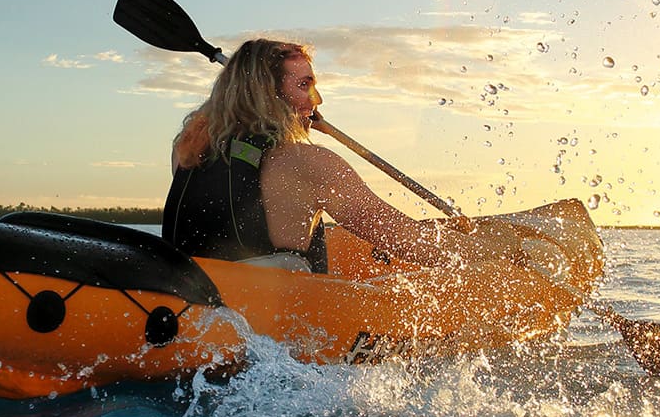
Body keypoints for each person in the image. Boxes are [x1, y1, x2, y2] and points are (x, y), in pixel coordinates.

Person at [162, 38, 521, 273]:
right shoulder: (309, 163)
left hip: (190, 304)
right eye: (304, 85)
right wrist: (493, 255)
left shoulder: (188, 151)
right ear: (267, 95)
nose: (316, 101)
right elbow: (406, 241)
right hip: (276, 331)